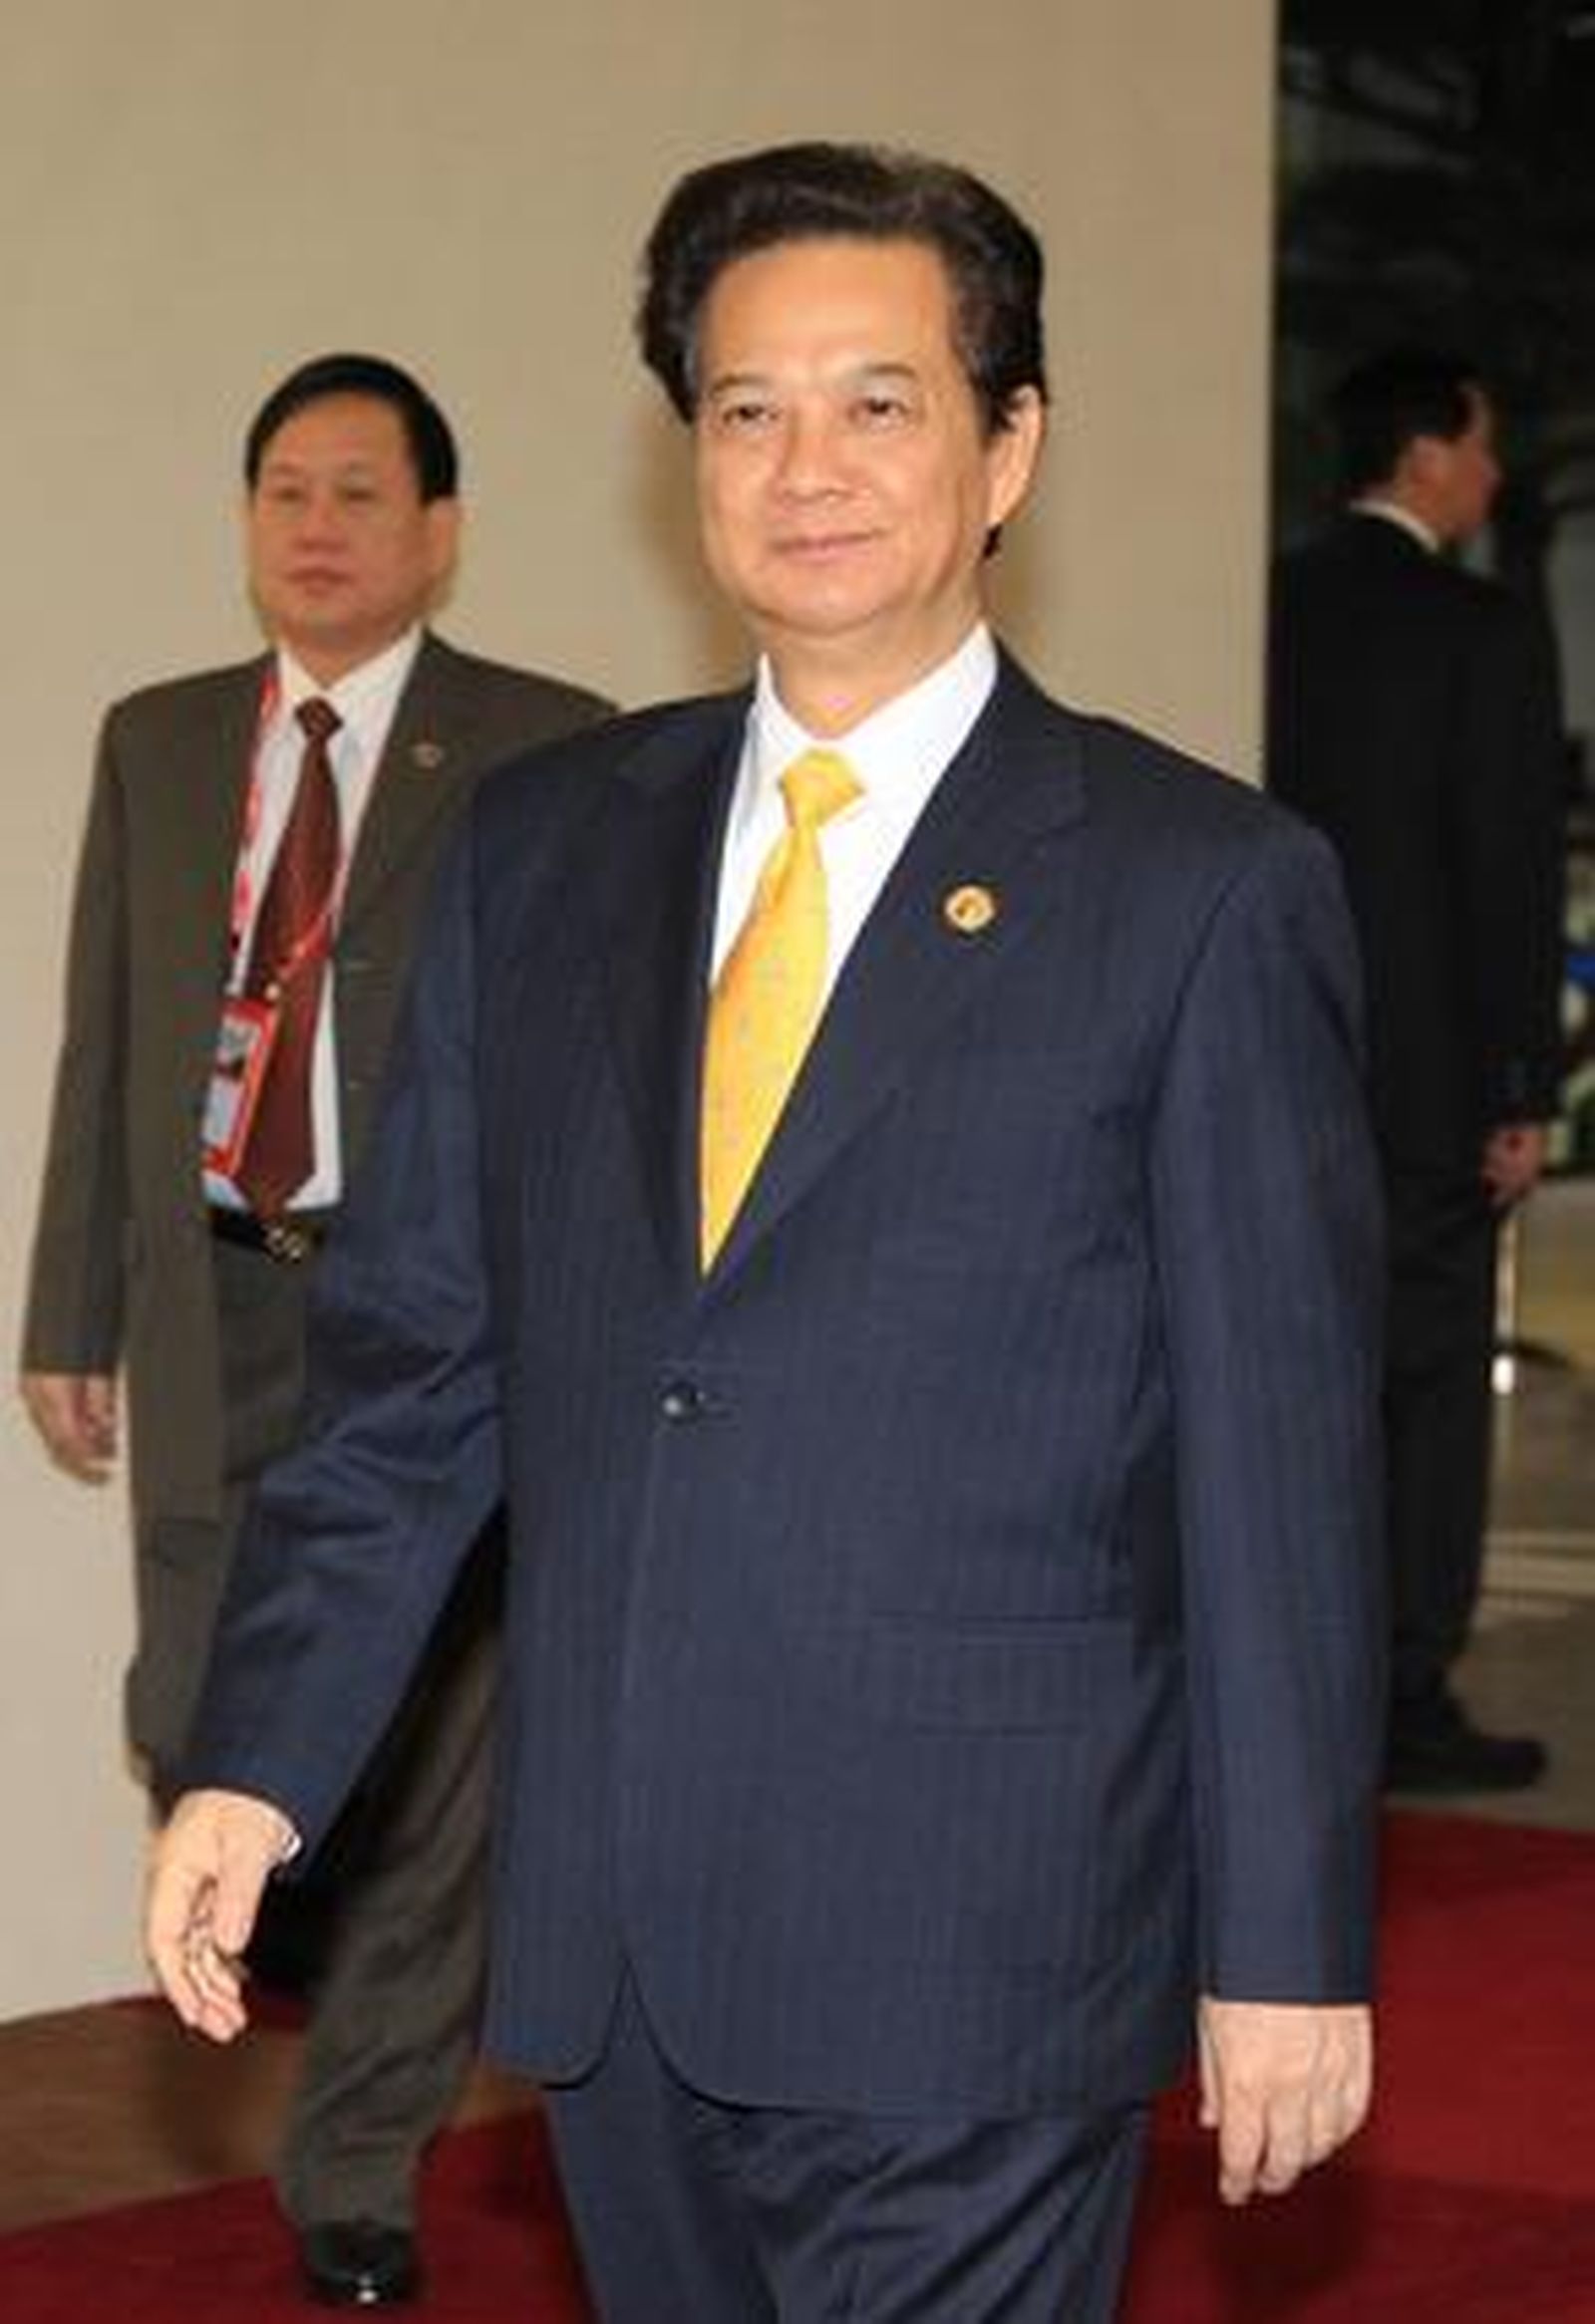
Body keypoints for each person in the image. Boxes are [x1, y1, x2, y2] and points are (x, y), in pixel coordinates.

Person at [147, 149, 1385, 2323]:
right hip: (618, 1943)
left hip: (979, 1943)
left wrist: (1281, 1941)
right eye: (744, 410)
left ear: (1008, 446)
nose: (805, 467)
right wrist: (261, 1752)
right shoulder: (546, 851)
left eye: (878, 403)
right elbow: (421, 1360)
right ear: (684, 455)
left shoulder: (1194, 889)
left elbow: (1274, 1469)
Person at [20, 352, 608, 2308]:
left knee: (438, 1754)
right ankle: (293, 1893)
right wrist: (68, 1302)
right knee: (201, 1712)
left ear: (438, 531)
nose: (318, 523)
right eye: (285, 487)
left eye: (361, 491)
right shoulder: (160, 737)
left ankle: (353, 2165)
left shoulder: (547, 747)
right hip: (208, 1298)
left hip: (433, 1325)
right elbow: (107, 1037)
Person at [1268, 350, 1566, 1795]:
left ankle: (1295, 1689)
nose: (1494, 473)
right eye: (1484, 441)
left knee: (1292, 1381)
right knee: (1431, 1389)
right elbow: (1504, 865)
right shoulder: (1480, 627)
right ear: (1431, 454)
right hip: (1431, 1078)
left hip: (1275, 1053)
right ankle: (1405, 1692)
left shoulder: (1272, 603)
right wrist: (1523, 1085)